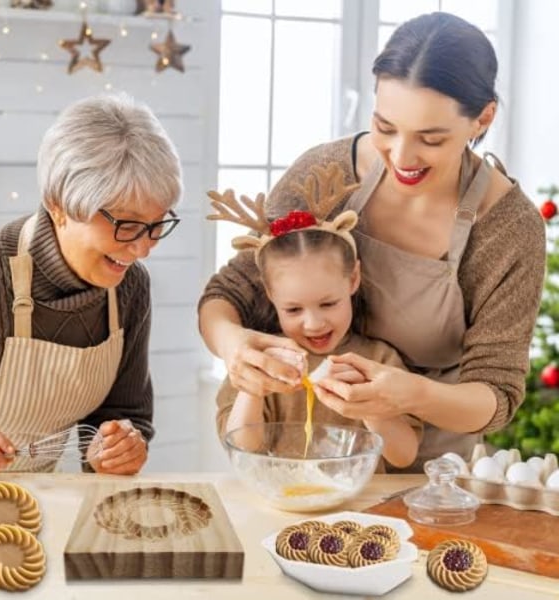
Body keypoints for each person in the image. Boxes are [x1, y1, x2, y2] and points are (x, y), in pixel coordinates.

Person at [198, 12, 546, 472]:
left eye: (431, 139)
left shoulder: (508, 227)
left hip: (429, 473)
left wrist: (405, 394)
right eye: (385, 127)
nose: (402, 156)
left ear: (482, 118)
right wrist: (233, 346)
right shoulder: (325, 175)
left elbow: (495, 396)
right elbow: (229, 294)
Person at [0, 93, 183, 483]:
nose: (144, 248)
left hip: (38, 505)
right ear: (58, 204)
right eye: (127, 225)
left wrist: (118, 447)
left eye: (157, 224)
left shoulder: (129, 287)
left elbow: (123, 411)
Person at [209, 165, 422, 469]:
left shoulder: (378, 360)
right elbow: (241, 448)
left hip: (361, 508)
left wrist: (370, 406)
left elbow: (404, 455)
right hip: (283, 505)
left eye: (328, 303)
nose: (313, 323)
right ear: (270, 295)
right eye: (294, 310)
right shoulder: (259, 360)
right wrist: (253, 387)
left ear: (353, 279)